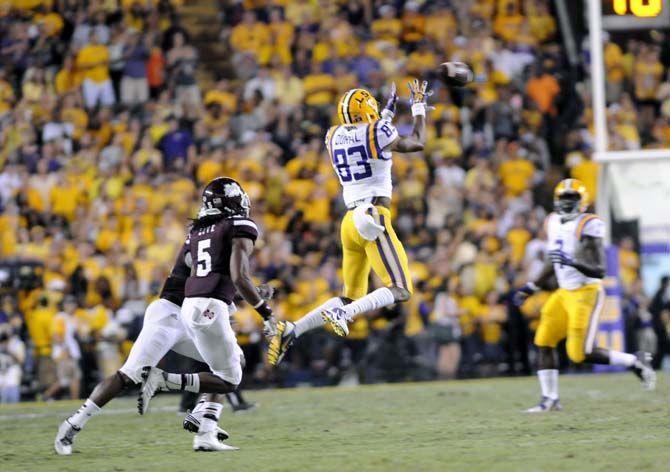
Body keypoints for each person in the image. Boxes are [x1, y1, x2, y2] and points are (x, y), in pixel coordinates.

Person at [268, 79, 431, 365]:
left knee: (350, 296)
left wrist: (388, 115)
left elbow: (368, 135)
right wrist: (418, 107)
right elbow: (415, 142)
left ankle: (293, 329)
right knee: (400, 288)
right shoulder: (378, 129)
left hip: (349, 222)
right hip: (373, 217)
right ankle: (344, 314)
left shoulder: (332, 135)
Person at [54, 243, 234, 455]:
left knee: (230, 365)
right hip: (169, 314)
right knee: (129, 375)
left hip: (190, 320)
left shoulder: (225, 246)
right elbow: (200, 282)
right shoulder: (202, 241)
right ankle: (72, 425)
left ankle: (206, 428)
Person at [136, 177, 277, 446]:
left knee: (231, 362)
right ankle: (165, 380)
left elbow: (215, 277)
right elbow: (239, 276)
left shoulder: (199, 230)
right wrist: (266, 312)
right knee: (229, 378)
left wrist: (256, 293)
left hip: (193, 304)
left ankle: (205, 429)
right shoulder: (239, 224)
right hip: (209, 307)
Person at [515, 179, 656, 413]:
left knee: (579, 354)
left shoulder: (588, 225)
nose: (568, 204)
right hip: (564, 292)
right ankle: (550, 399)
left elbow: (599, 270)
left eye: (572, 199)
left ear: (583, 202)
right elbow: (554, 259)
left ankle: (635, 360)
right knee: (543, 340)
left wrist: (572, 261)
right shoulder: (552, 222)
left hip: (586, 292)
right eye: (564, 199)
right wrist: (532, 286)